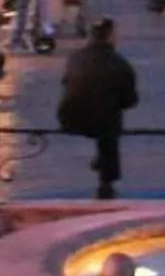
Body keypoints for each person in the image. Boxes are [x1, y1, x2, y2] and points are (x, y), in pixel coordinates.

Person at [58, 17, 140, 198]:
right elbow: (130, 100)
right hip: (103, 123)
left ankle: (102, 164)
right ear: (110, 36)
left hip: (70, 117)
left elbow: (66, 82)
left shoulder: (76, 57)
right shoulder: (120, 64)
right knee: (110, 121)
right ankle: (107, 180)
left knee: (102, 110)